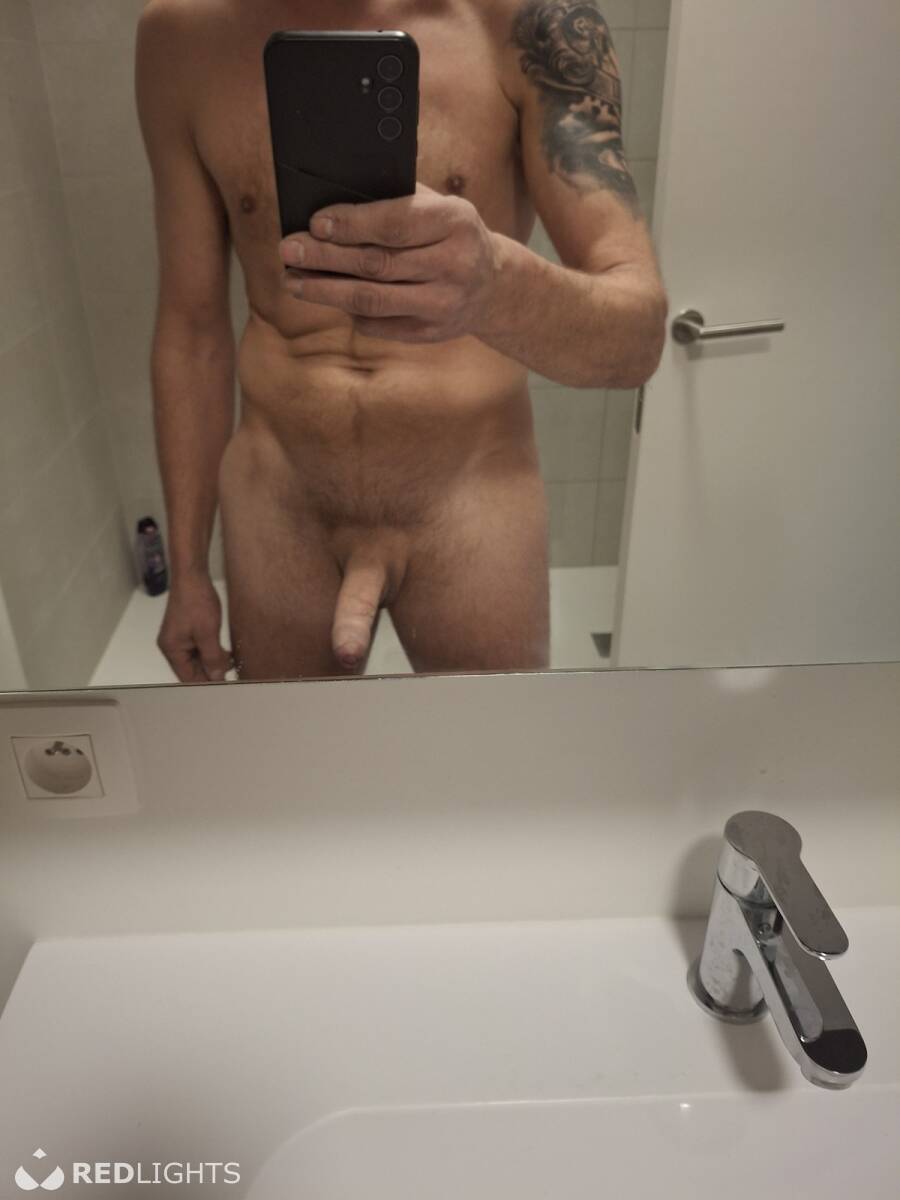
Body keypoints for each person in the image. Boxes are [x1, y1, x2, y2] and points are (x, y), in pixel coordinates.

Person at [136, 0, 666, 682]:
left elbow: (637, 336)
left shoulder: (532, 22)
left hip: (470, 496)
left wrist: (495, 286)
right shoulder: (180, 37)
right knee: (297, 750)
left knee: (487, 749)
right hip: (279, 499)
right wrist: (186, 571)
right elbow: (191, 331)